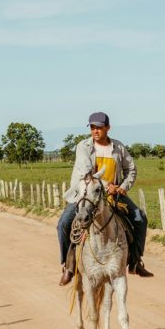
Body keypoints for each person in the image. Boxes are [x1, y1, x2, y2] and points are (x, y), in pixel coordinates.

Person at [57, 111, 153, 285]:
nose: (95, 131)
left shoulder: (118, 147)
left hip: (113, 195)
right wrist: (108, 184)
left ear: (108, 128)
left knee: (140, 218)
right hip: (86, 196)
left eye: (99, 127)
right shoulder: (83, 147)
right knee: (64, 223)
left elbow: (131, 169)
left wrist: (123, 187)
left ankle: (135, 261)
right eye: (92, 127)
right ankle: (68, 265)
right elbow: (87, 172)